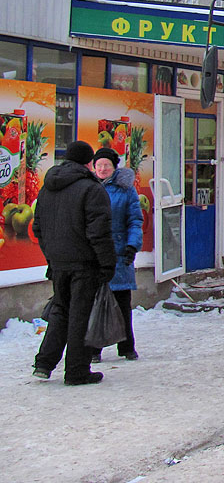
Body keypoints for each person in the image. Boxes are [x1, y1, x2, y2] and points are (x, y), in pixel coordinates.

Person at [31, 141, 115, 385]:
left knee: (60, 310)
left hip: (58, 262)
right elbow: (99, 232)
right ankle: (77, 370)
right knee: (79, 314)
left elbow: (38, 228)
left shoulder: (47, 188)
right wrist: (107, 264)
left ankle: (44, 363)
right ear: (89, 162)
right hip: (84, 263)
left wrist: (52, 255)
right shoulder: (92, 189)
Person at [90, 147, 143, 362]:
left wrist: (132, 246)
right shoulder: (88, 187)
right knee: (94, 304)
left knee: (122, 303)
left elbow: (134, 220)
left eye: (106, 165)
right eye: (99, 165)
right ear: (93, 167)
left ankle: (127, 347)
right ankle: (94, 349)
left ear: (114, 168)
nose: (102, 169)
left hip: (120, 253)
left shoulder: (125, 189)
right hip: (94, 254)